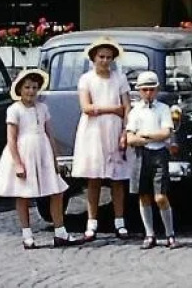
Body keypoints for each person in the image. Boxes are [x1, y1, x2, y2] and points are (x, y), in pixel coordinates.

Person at [0, 69, 80, 249]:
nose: (31, 91)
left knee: (57, 190)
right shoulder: (14, 110)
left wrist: (55, 158)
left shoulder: (43, 108)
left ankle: (60, 231)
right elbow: (11, 138)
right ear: (20, 90)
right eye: (27, 87)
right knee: (24, 194)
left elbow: (49, 133)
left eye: (34, 88)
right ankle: (27, 233)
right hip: (24, 151)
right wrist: (17, 163)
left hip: (43, 151)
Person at [72, 37, 132, 241]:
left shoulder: (119, 78)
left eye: (109, 57)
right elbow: (86, 108)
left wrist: (126, 130)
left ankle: (120, 222)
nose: (105, 61)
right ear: (94, 58)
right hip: (93, 131)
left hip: (114, 129)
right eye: (101, 57)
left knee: (117, 179)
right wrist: (112, 109)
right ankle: (91, 223)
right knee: (94, 177)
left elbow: (127, 107)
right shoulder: (86, 79)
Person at [125, 70, 180, 250]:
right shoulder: (135, 111)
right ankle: (150, 233)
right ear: (139, 91)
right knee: (144, 195)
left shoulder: (163, 109)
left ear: (156, 90)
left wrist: (146, 135)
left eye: (151, 89)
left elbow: (166, 132)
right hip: (142, 155)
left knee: (161, 196)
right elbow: (131, 139)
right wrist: (151, 138)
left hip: (158, 155)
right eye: (144, 90)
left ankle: (170, 233)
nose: (148, 93)